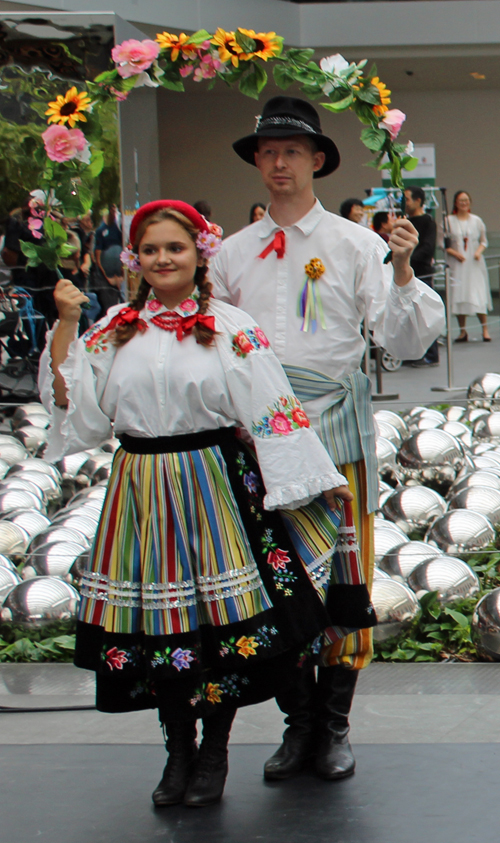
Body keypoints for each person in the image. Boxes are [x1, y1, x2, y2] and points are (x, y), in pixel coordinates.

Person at [39, 199, 376, 808]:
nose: (162, 259)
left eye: (175, 247)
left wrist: (319, 480)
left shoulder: (231, 327)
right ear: (135, 260)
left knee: (215, 628)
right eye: (150, 250)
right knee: (161, 627)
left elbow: (273, 410)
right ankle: (178, 752)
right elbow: (79, 416)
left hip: (213, 486)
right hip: (142, 492)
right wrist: (65, 323)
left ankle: (214, 754)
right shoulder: (110, 329)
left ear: (200, 255)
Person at [210, 95, 445, 783]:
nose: (279, 161)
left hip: (335, 432)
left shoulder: (358, 245)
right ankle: (299, 723)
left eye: (292, 150)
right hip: (260, 439)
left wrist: (403, 268)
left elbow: (405, 337)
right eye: (268, 151)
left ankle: (336, 723)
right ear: (257, 162)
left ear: (316, 160)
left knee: (344, 573)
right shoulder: (229, 254)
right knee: (274, 577)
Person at [444, 190, 492, 342]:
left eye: (466, 200)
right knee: (459, 293)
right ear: (455, 203)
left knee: (478, 292)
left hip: (474, 263)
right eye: (461, 200)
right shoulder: (448, 221)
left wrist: (478, 252)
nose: (464, 203)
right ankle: (462, 331)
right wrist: (454, 253)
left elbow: (484, 241)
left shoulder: (476, 220)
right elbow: (442, 243)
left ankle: (485, 329)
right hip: (457, 263)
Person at [404, 186, 439, 366]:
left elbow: (428, 247)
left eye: (408, 199)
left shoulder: (428, 222)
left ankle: (431, 355)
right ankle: (414, 353)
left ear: (418, 201)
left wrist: (408, 260)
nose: (405, 203)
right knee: (409, 315)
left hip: (422, 272)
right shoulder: (406, 221)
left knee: (425, 314)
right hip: (407, 274)